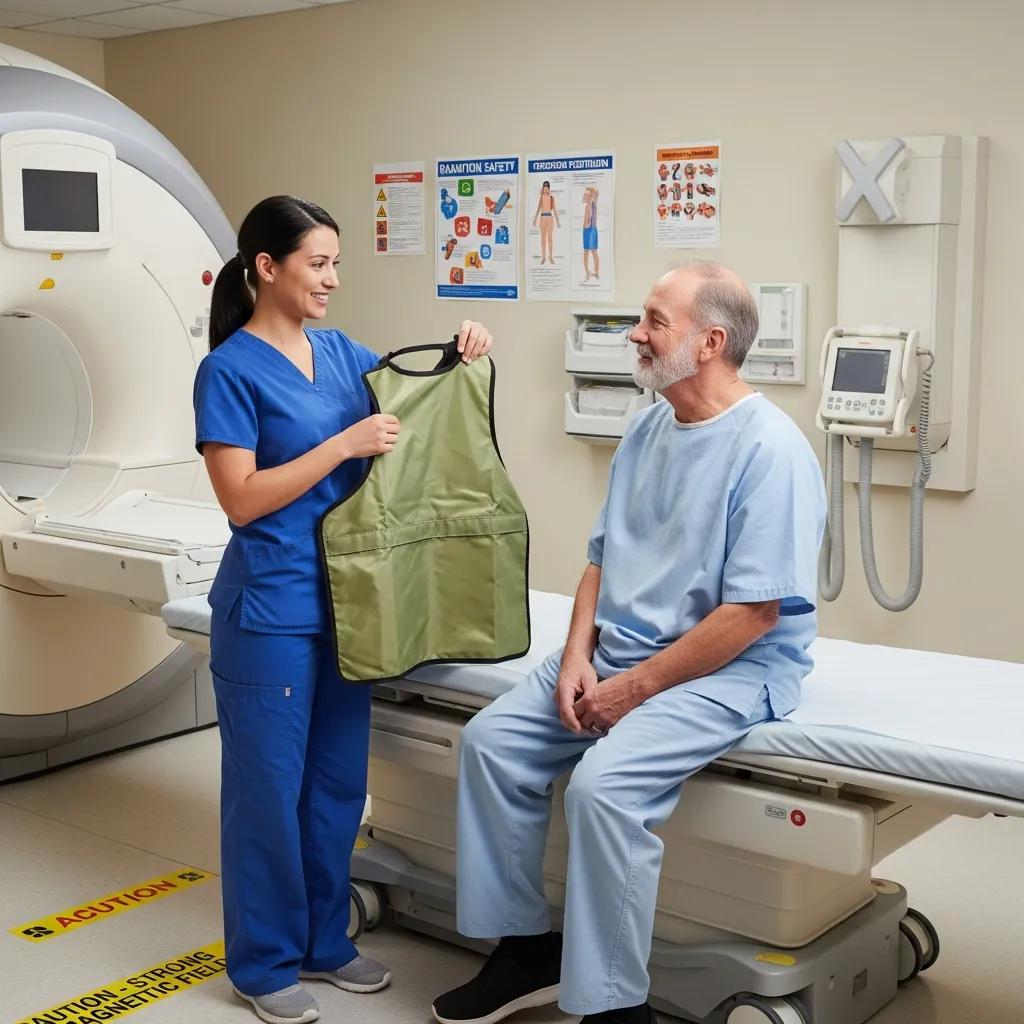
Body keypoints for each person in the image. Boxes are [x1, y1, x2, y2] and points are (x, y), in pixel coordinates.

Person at [432, 261, 825, 1024]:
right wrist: (579, 657)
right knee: (492, 744)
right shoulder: (647, 427)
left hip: (730, 667)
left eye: (653, 321)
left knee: (603, 790)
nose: (634, 336)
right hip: (622, 647)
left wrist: (634, 688)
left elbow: (752, 616)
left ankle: (618, 1009)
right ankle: (525, 950)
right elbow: (601, 559)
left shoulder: (769, 451)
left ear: (711, 342)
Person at [194, 195, 493, 1024]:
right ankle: (262, 964)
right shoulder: (227, 371)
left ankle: (327, 941)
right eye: (317, 263)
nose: (332, 278)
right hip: (270, 613)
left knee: (333, 788)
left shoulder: (338, 352)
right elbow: (242, 498)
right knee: (267, 795)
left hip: (351, 607)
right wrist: (340, 446)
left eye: (335, 263)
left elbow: (414, 397)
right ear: (268, 268)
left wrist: (465, 352)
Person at [532, 180, 560, 265]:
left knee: (550, 238)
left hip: (550, 217)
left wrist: (558, 221)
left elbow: (554, 210)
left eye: (547, 189)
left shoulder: (552, 198)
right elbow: (538, 209)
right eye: (544, 189)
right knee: (543, 239)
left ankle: (550, 256)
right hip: (542, 217)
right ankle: (543, 257)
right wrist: (535, 220)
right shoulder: (541, 198)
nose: (546, 190)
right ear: (543, 189)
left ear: (549, 189)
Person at [582, 186, 600, 282]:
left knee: (594, 252)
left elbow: (596, 191)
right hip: (586, 230)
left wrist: (589, 188)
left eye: (590, 195)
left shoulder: (594, 204)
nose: (588, 197)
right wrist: (584, 228)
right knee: (586, 252)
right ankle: (587, 272)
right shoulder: (586, 207)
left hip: (592, 230)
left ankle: (596, 272)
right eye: (587, 196)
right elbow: (585, 220)